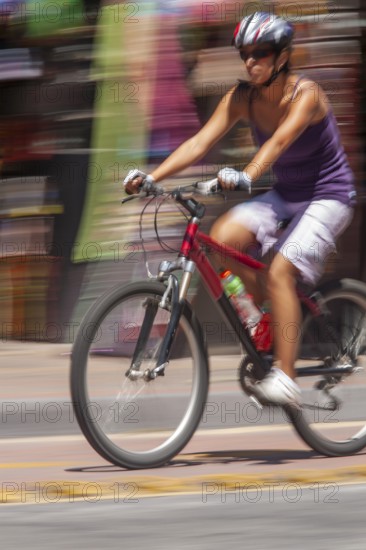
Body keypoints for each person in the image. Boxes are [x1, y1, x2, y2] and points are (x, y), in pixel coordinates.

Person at [124, 12, 356, 406]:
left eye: (261, 52)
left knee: (281, 271)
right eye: (245, 53)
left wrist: (247, 172)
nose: (251, 61)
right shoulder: (242, 97)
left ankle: (286, 376)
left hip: (328, 197)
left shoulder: (307, 94)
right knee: (220, 241)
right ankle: (261, 316)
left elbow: (279, 142)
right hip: (287, 194)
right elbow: (199, 143)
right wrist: (152, 177)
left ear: (282, 56)